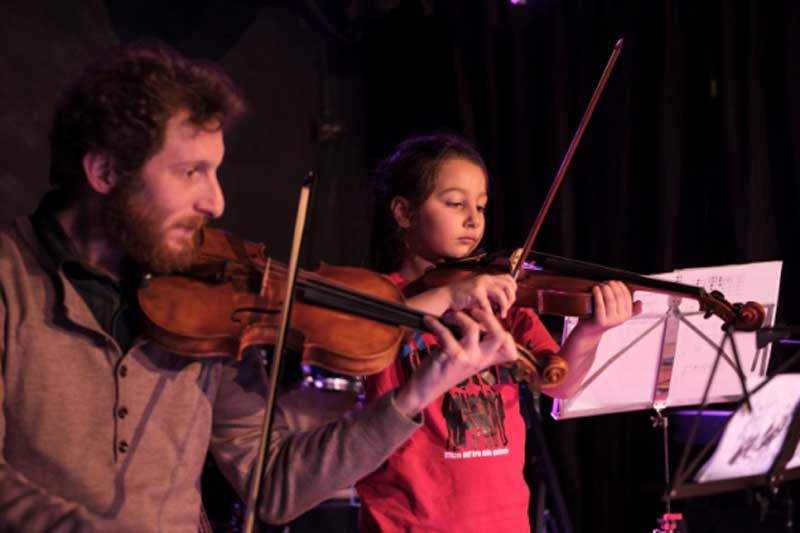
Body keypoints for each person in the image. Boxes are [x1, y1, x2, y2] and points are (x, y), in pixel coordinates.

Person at [0, 43, 522, 532]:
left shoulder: (213, 301)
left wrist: (415, 395)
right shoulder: (10, 279)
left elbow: (273, 483)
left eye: (217, 171)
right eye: (191, 172)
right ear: (104, 171)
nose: (215, 202)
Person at [356, 134, 642, 532]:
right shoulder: (379, 296)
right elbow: (365, 328)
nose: (473, 219)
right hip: (410, 523)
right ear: (404, 212)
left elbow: (559, 383)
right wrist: (448, 295)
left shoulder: (500, 299)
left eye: (481, 206)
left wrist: (590, 333)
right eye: (455, 203)